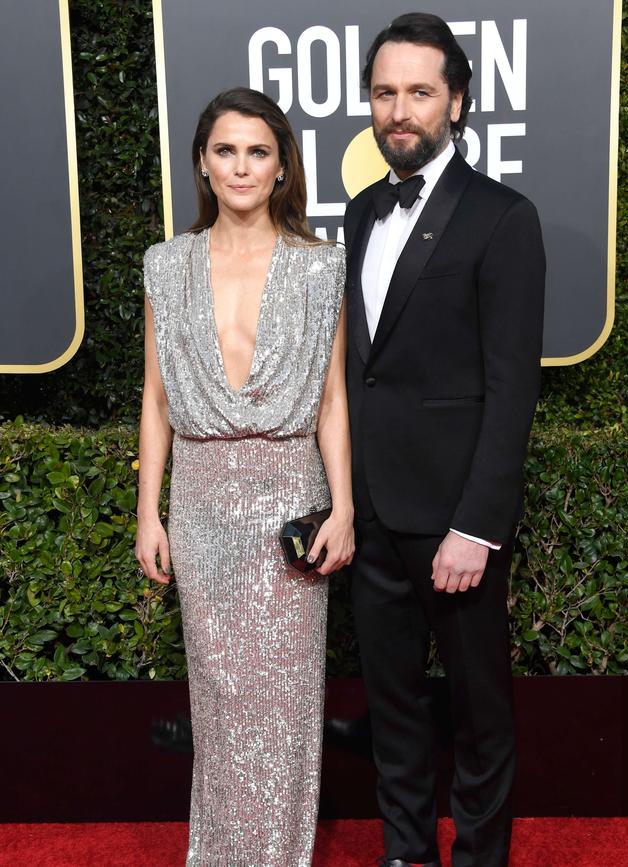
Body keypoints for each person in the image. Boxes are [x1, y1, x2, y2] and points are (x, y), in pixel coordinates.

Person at [344, 13, 545, 867]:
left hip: (455, 519)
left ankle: (480, 860)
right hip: (373, 514)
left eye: (420, 92)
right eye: (386, 93)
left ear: (456, 101)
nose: (401, 110)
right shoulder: (358, 213)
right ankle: (406, 853)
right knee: (392, 708)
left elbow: (512, 389)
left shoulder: (503, 217)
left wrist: (477, 524)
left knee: (478, 711)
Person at [135, 86, 354, 866]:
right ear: (202, 160)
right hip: (198, 504)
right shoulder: (166, 264)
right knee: (222, 703)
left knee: (286, 709)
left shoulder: (320, 265)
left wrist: (344, 507)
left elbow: (332, 399)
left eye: (258, 151)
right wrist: (147, 513)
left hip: (289, 498)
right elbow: (156, 398)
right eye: (226, 150)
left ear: (283, 166)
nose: (241, 166)